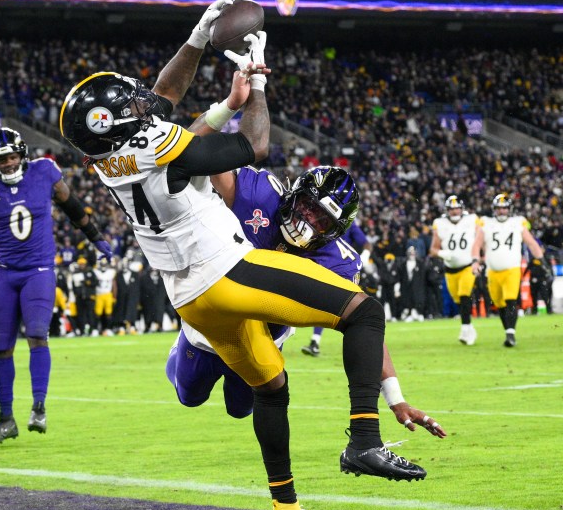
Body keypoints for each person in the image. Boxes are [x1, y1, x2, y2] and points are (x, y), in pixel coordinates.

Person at [59, 0, 429, 510]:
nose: (144, 104)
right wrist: (249, 86)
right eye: (131, 108)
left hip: (189, 299)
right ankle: (364, 443)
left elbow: (162, 106)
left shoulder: (106, 159)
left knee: (270, 388)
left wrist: (200, 42)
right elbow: (251, 145)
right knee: (365, 311)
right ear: (113, 123)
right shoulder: (155, 140)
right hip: (225, 272)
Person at [166, 162, 446, 436]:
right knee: (190, 396)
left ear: (334, 232)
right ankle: (179, 351)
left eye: (321, 220)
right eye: (309, 207)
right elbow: (211, 162)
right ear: (294, 193)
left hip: (264, 337)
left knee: (240, 409)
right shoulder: (259, 196)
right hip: (215, 324)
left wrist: (395, 398)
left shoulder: (339, 263)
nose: (307, 221)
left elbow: (365, 327)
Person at [0, 127, 113, 444]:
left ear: (23, 155)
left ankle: (39, 406)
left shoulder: (44, 172)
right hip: (4, 274)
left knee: (36, 334)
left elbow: (73, 207)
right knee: (1, 346)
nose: (7, 163)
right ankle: (6, 420)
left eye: (12, 157)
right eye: (2, 159)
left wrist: (97, 238)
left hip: (39, 270)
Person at [471, 193, 545, 347]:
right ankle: (508, 331)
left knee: (511, 299)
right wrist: (475, 261)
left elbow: (531, 243)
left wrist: (541, 260)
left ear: (510, 209)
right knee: (499, 303)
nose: (502, 211)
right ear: (494, 209)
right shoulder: (486, 223)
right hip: (492, 270)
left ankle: (510, 334)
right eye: (499, 208)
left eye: (504, 208)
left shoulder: (517, 223)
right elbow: (477, 244)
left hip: (512, 268)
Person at [301, 221, 368, 356]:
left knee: (348, 312)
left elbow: (365, 242)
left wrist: (365, 257)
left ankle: (363, 347)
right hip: (338, 264)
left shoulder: (346, 224)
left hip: (338, 267)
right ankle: (315, 342)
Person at [430, 195, 478, 345]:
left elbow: (481, 239)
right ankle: (469, 327)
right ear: (447, 210)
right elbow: (433, 248)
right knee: (458, 300)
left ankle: (465, 329)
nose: (455, 211)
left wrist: (479, 258)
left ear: (462, 209)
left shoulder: (472, 220)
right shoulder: (440, 223)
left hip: (468, 266)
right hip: (450, 269)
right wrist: (442, 253)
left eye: (457, 208)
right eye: (452, 209)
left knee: (464, 296)